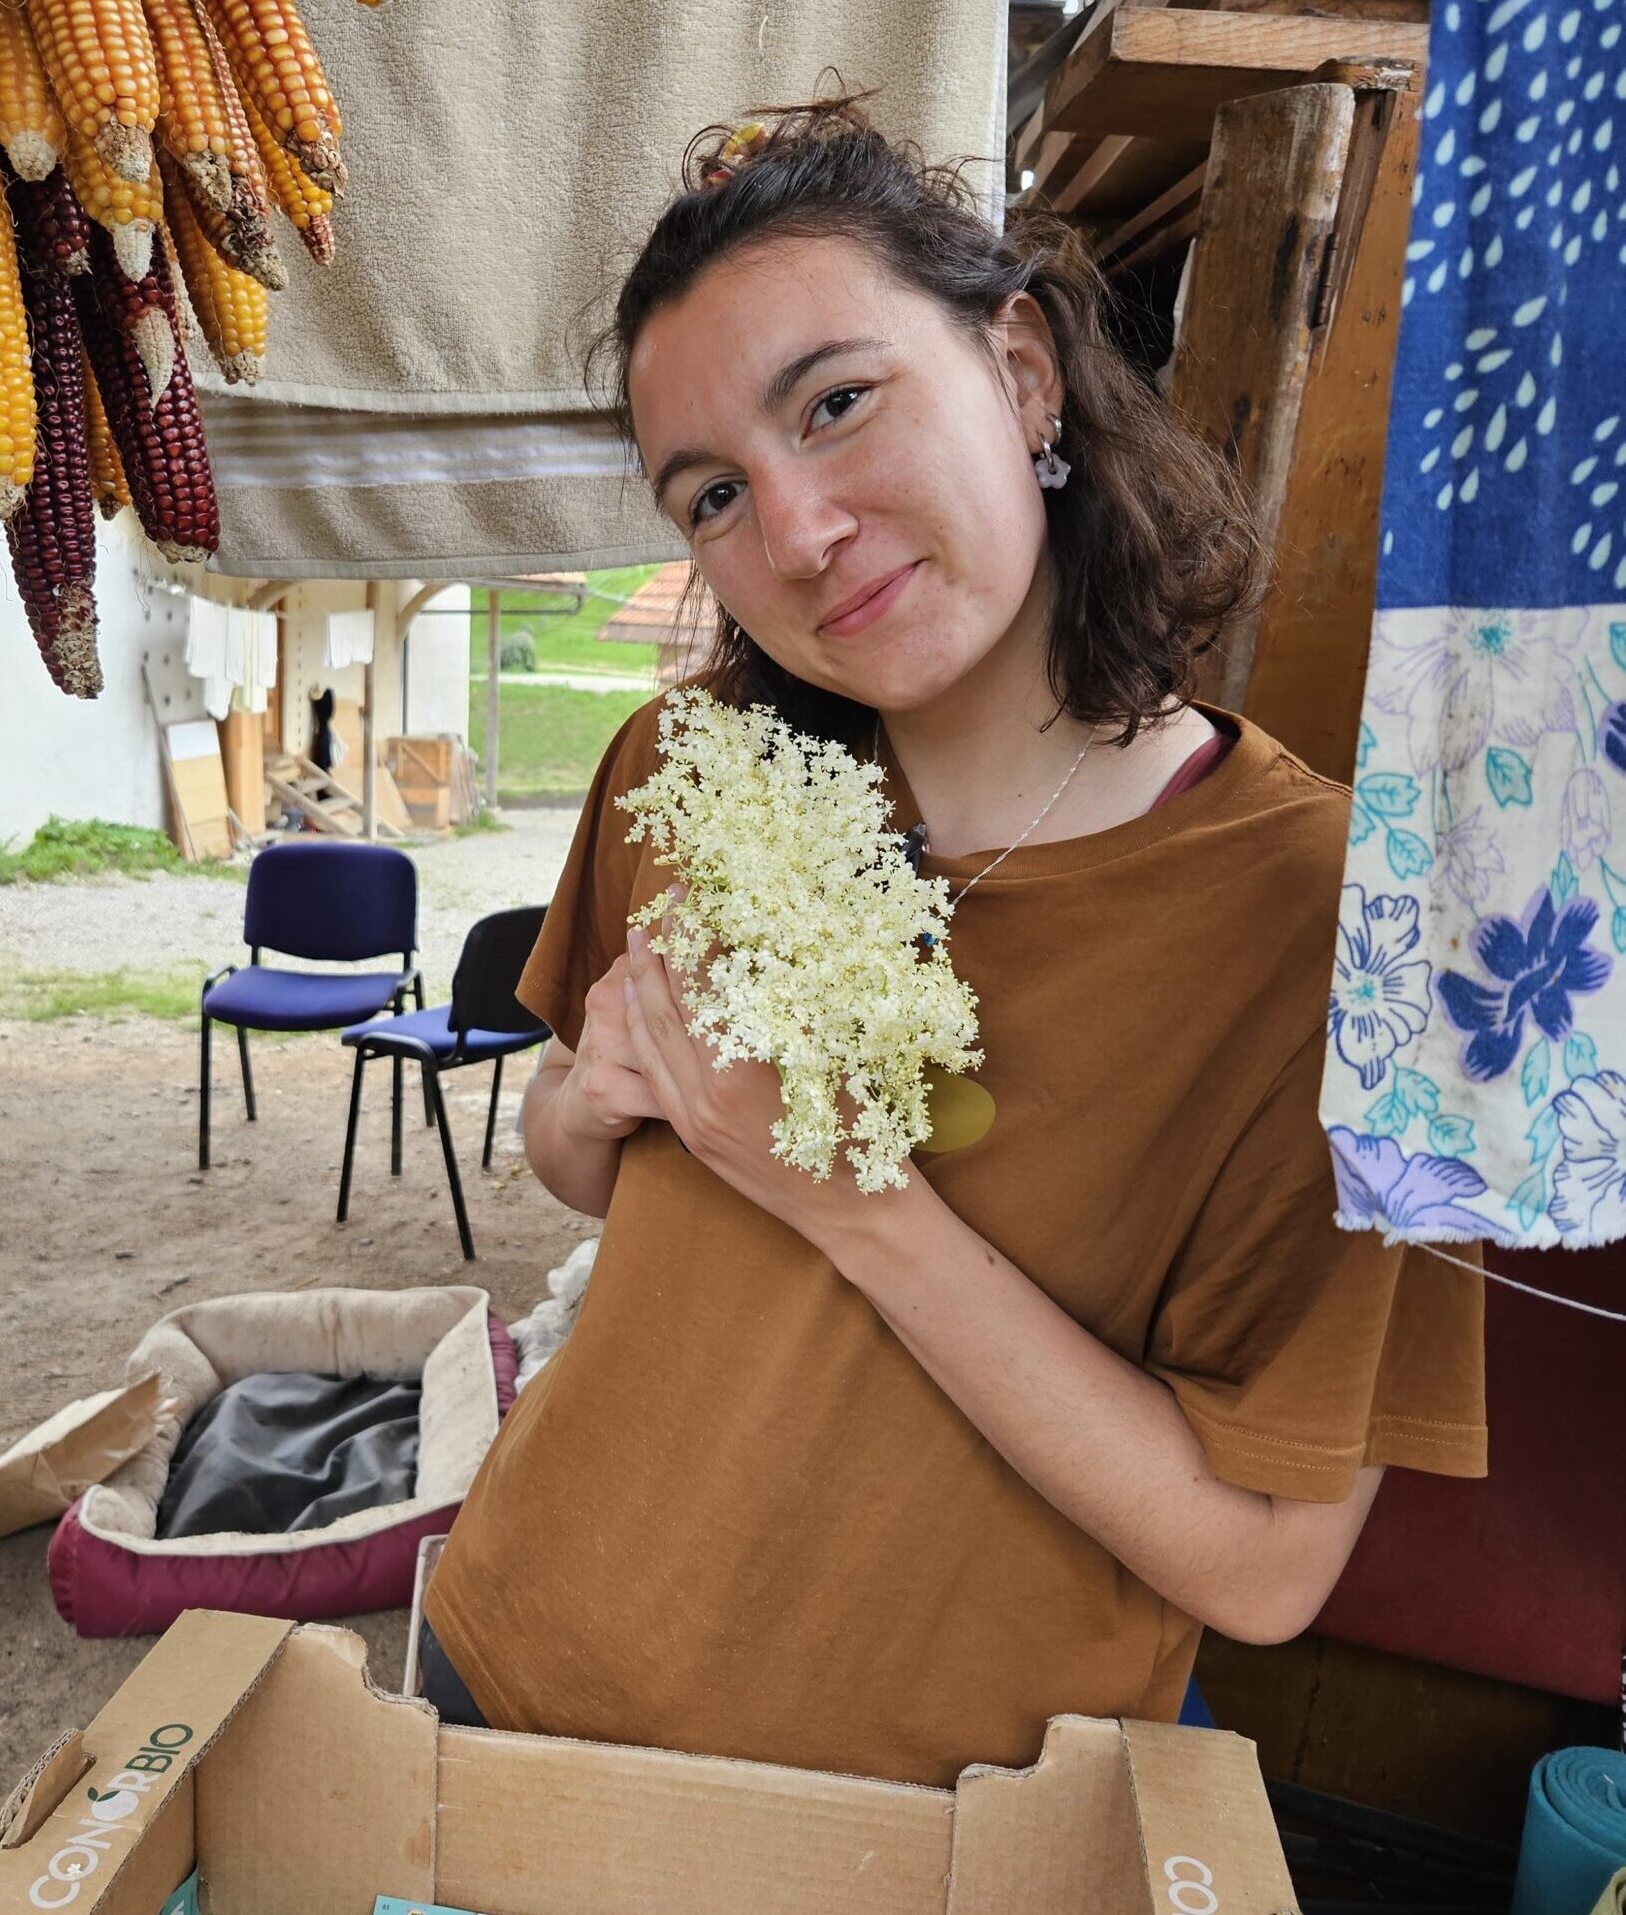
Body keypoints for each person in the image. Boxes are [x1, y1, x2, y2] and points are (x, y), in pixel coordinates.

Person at [418, 95, 1488, 1786]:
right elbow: (575, 1152)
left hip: (912, 1828)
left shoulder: (1344, 930)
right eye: (710, 494)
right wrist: (600, 1094)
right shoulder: (677, 777)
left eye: (837, 405)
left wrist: (851, 1199)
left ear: (1022, 371)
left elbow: (1268, 1569)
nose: (794, 533)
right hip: (501, 1668)